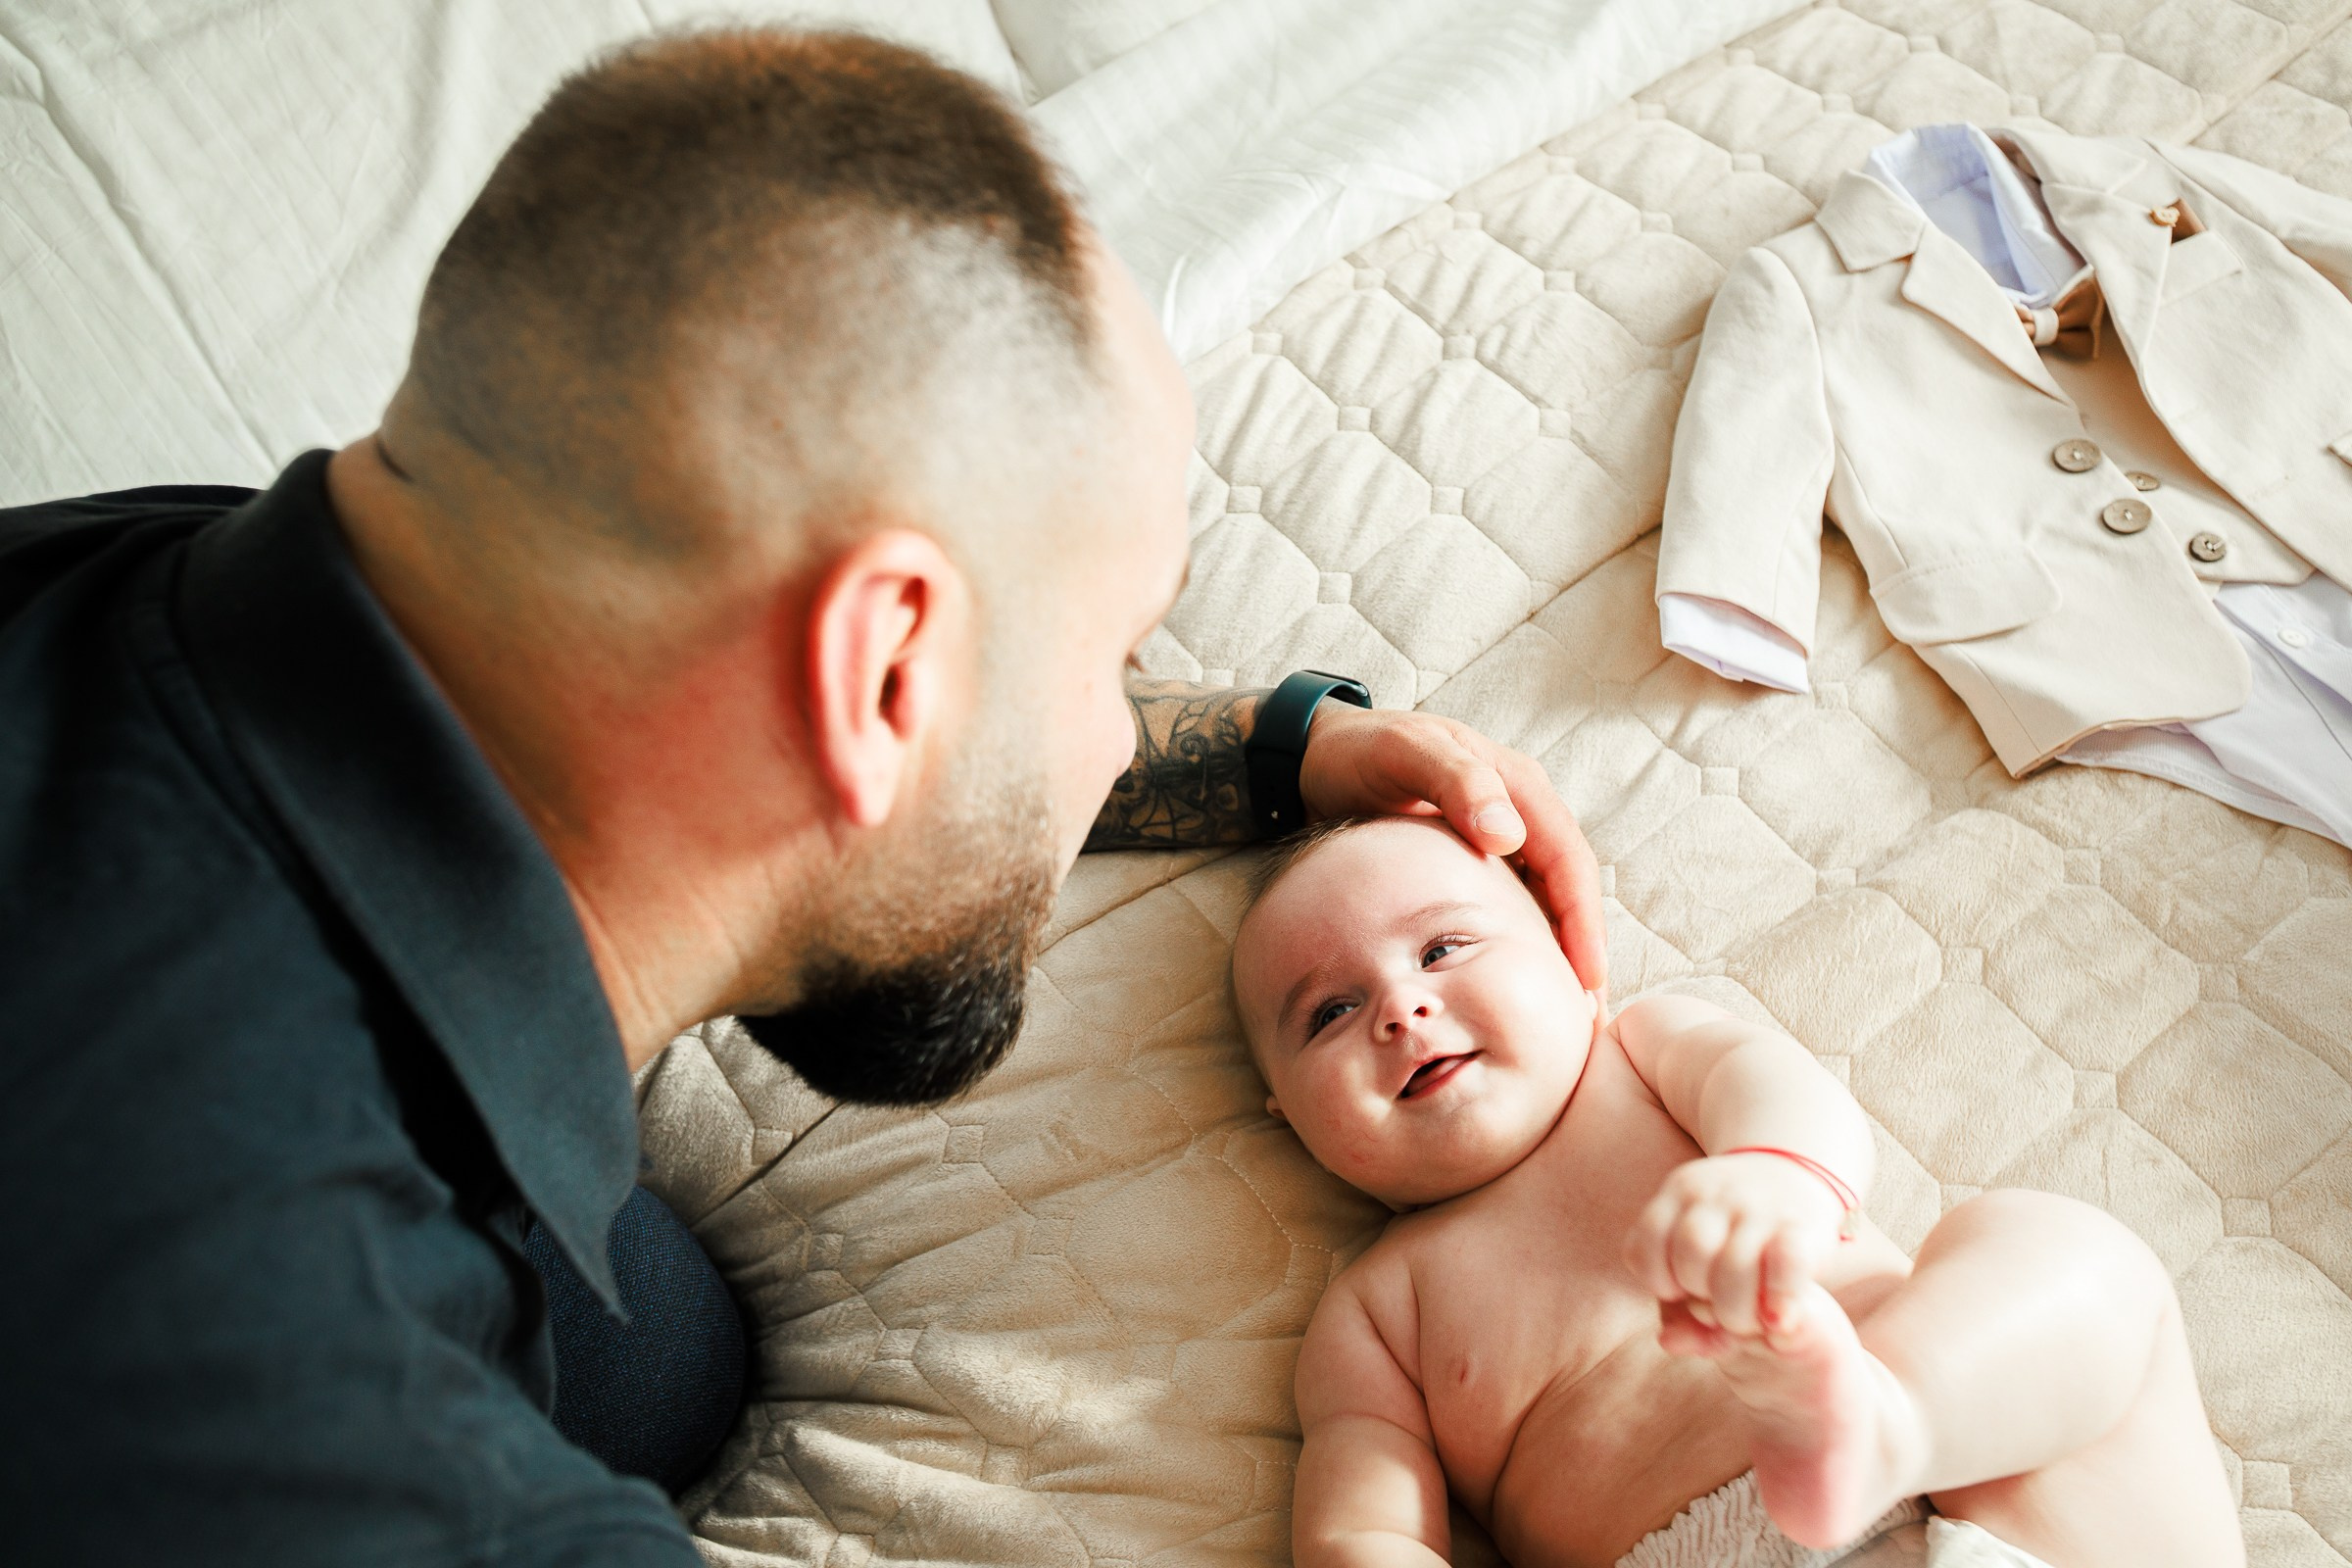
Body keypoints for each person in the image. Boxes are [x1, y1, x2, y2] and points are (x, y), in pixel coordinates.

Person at [0, 26, 1606, 1566]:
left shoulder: (181, 584)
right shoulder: (327, 1455)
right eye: (1100, 655)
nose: (1113, 739)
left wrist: (1273, 749)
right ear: (883, 678)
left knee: (658, 1350)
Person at [1231, 814, 2243, 1568]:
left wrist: (1776, 1171)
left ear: (1573, 960)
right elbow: (1363, 1525)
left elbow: (1782, 1093)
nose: (1403, 1010)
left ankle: (1889, 1421)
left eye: (1444, 948)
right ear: (1285, 1111)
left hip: (1980, 1493)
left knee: (2057, 1246)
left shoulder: (1643, 1051)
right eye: (1328, 1012)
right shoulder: (1373, 1311)